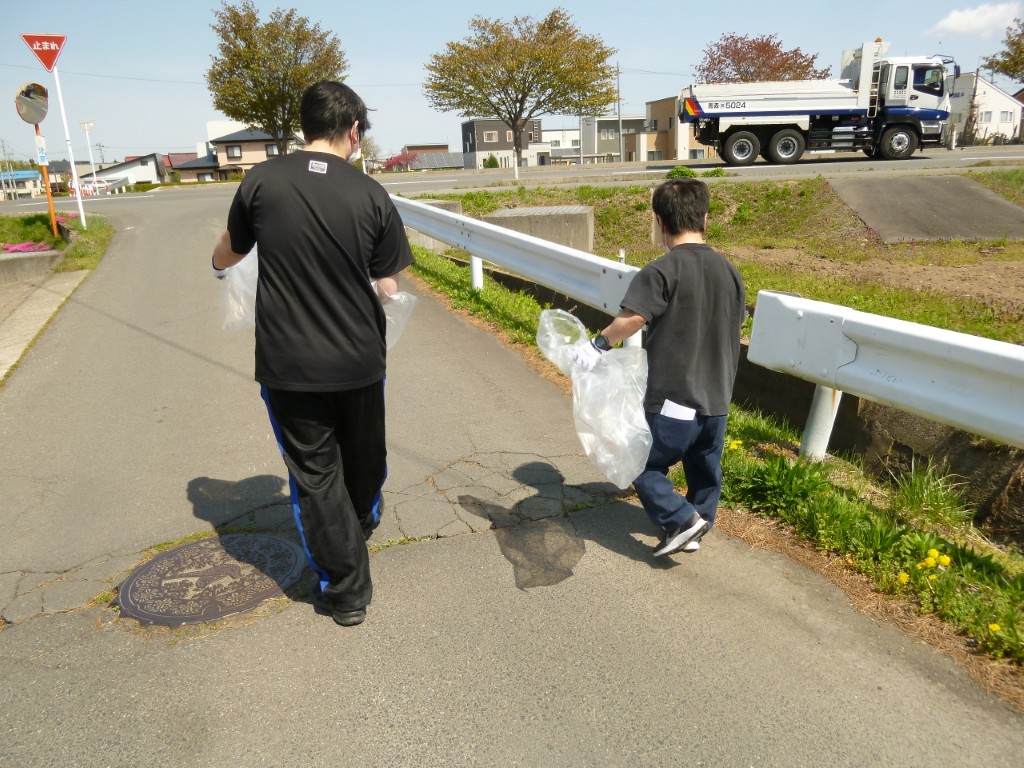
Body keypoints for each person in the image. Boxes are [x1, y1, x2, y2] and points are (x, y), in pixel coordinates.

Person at [211, 81, 414, 626]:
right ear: (354, 130)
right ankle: (359, 525)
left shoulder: (261, 180)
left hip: (289, 364)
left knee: (315, 474)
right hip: (359, 358)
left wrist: (218, 265)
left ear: (305, 126)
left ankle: (346, 592)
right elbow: (388, 283)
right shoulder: (370, 193)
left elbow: (230, 250)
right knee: (365, 458)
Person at [573, 179, 745, 557]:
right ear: (705, 218)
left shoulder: (662, 270)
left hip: (674, 399)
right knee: (704, 469)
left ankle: (681, 520)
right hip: (717, 398)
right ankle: (696, 523)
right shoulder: (730, 272)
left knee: (639, 463)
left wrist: (598, 344)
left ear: (660, 222)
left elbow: (634, 318)